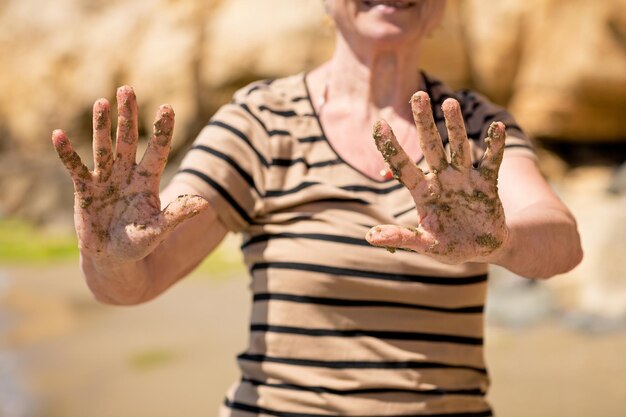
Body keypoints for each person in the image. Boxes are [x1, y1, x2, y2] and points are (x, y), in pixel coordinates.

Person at [52, 1, 583, 415]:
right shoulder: (260, 121)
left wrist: (503, 241)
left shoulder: (471, 129)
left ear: (442, 8)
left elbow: (562, 242)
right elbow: (134, 280)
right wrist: (109, 252)